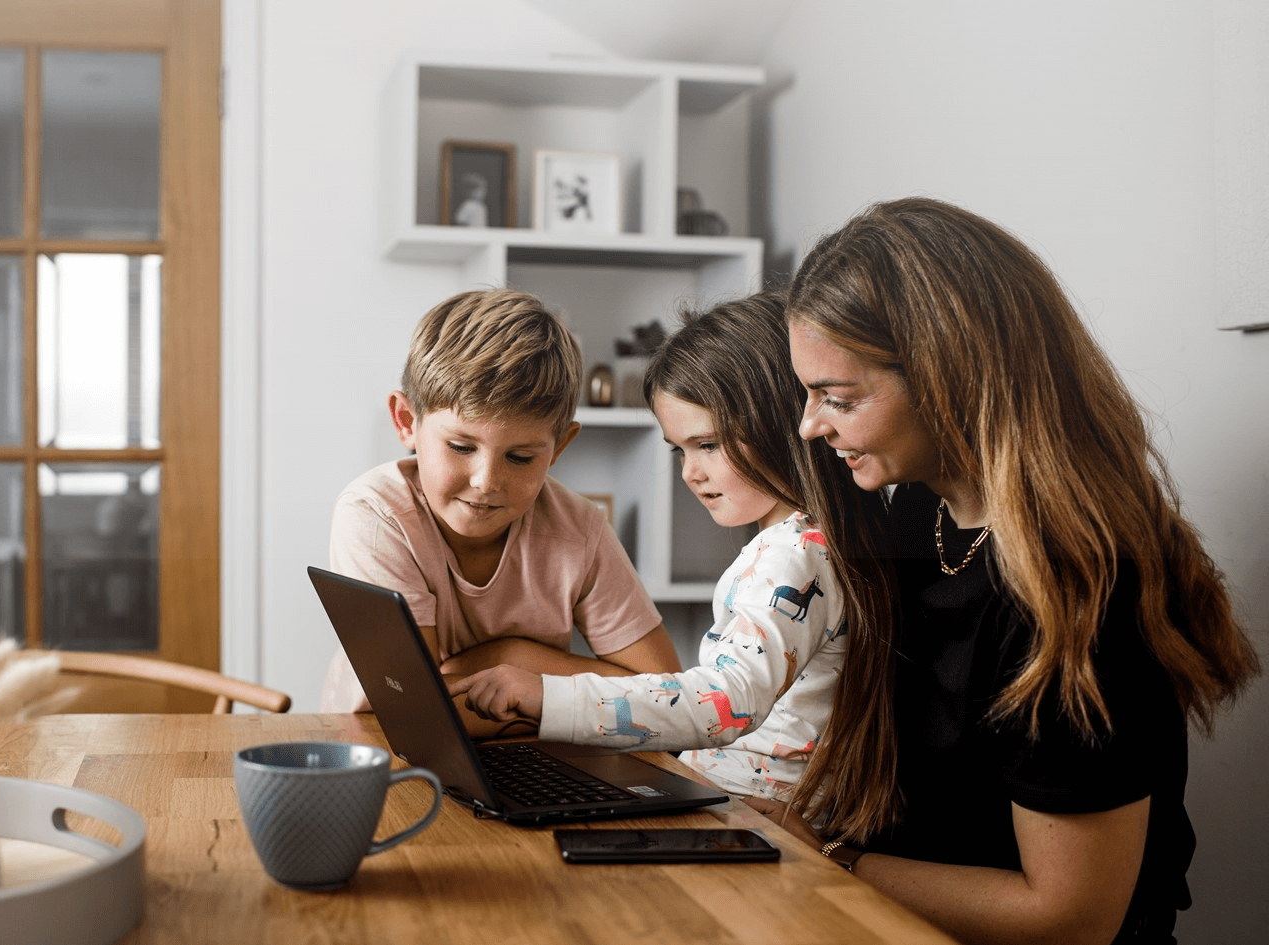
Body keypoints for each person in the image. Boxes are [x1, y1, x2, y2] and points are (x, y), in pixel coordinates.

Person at [757, 197, 1260, 945]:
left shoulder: (1076, 587)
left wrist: (826, 855)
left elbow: (1067, 916)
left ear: (949, 376)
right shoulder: (916, 509)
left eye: (839, 398)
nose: (811, 424)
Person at [448, 292, 882, 798]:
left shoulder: (793, 555)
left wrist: (547, 697)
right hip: (718, 787)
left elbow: (727, 700)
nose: (690, 474)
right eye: (680, 450)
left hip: (750, 807)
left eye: (708, 445)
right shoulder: (808, 543)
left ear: (780, 421)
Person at [318, 288, 682, 735]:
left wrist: (513, 671)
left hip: (526, 758)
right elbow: (418, 717)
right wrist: (514, 664)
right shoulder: (376, 516)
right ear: (406, 422)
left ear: (559, 448)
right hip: (383, 755)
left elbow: (667, 700)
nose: (486, 481)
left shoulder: (579, 530)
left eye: (521, 457)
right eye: (460, 446)